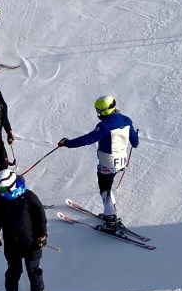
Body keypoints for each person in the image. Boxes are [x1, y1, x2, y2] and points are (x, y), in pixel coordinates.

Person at [56, 95, 139, 232]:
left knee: (105, 188)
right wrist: (135, 141)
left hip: (108, 162)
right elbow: (134, 141)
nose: (98, 114)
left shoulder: (104, 125)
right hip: (121, 161)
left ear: (106, 110)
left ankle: (111, 219)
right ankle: (110, 212)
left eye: (99, 111)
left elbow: (88, 139)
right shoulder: (126, 120)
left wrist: (67, 143)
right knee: (108, 186)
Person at [0, 168, 47, 291]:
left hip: (31, 241)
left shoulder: (28, 197)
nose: (1, 192)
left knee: (33, 269)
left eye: (3, 189)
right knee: (14, 269)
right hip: (11, 242)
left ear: (12, 185)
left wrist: (42, 236)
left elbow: (40, 218)